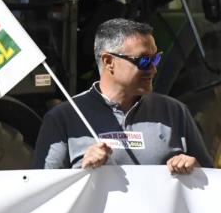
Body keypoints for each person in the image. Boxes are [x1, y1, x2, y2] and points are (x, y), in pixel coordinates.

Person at [34, 18, 212, 172]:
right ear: (109, 61)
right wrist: (82, 172)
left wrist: (194, 168)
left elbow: (210, 183)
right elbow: (45, 191)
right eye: (143, 60)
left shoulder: (175, 112)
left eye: (155, 59)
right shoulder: (63, 117)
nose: (153, 68)